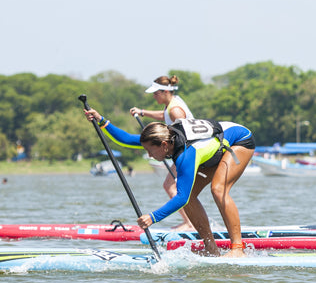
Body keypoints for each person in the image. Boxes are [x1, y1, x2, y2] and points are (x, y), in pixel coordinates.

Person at [83, 109, 255, 257]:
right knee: (191, 197)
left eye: (150, 151)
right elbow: (126, 139)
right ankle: (211, 248)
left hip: (239, 140)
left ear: (164, 145)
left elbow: (181, 198)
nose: (149, 155)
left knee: (218, 189)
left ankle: (238, 248)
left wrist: (153, 217)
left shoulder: (186, 156)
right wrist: (101, 120)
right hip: (215, 150)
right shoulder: (162, 137)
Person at [130, 75, 196, 231]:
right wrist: (143, 112)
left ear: (165, 92)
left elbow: (184, 133)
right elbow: (164, 116)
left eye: (156, 93)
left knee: (170, 186)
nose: (154, 96)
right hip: (184, 151)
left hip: (188, 152)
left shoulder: (175, 110)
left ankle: (190, 223)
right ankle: (190, 221)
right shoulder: (171, 105)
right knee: (171, 186)